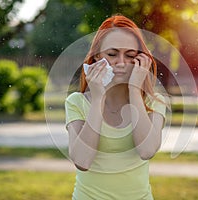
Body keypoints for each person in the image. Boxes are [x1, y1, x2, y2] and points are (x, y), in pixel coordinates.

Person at [65, 14, 166, 200]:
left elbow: (147, 150)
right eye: (112, 54)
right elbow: (82, 160)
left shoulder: (155, 102)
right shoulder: (76, 102)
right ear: (96, 57)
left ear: (141, 59)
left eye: (130, 56)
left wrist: (135, 89)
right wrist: (97, 99)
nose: (121, 63)